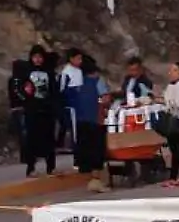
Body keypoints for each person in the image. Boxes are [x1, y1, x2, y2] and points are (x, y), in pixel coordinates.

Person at [13, 46, 60, 177]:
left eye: (40, 57)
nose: (38, 60)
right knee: (31, 139)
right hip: (32, 109)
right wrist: (26, 98)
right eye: (35, 57)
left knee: (49, 138)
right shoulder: (25, 72)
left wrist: (53, 106)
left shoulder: (49, 72)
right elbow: (18, 89)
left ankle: (51, 167)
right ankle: (31, 167)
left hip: (47, 110)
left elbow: (54, 91)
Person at [65, 51, 110, 179]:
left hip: (79, 120)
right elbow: (105, 99)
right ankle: (96, 179)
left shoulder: (75, 82)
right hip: (95, 120)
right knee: (96, 149)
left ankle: (85, 175)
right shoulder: (97, 80)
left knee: (83, 148)